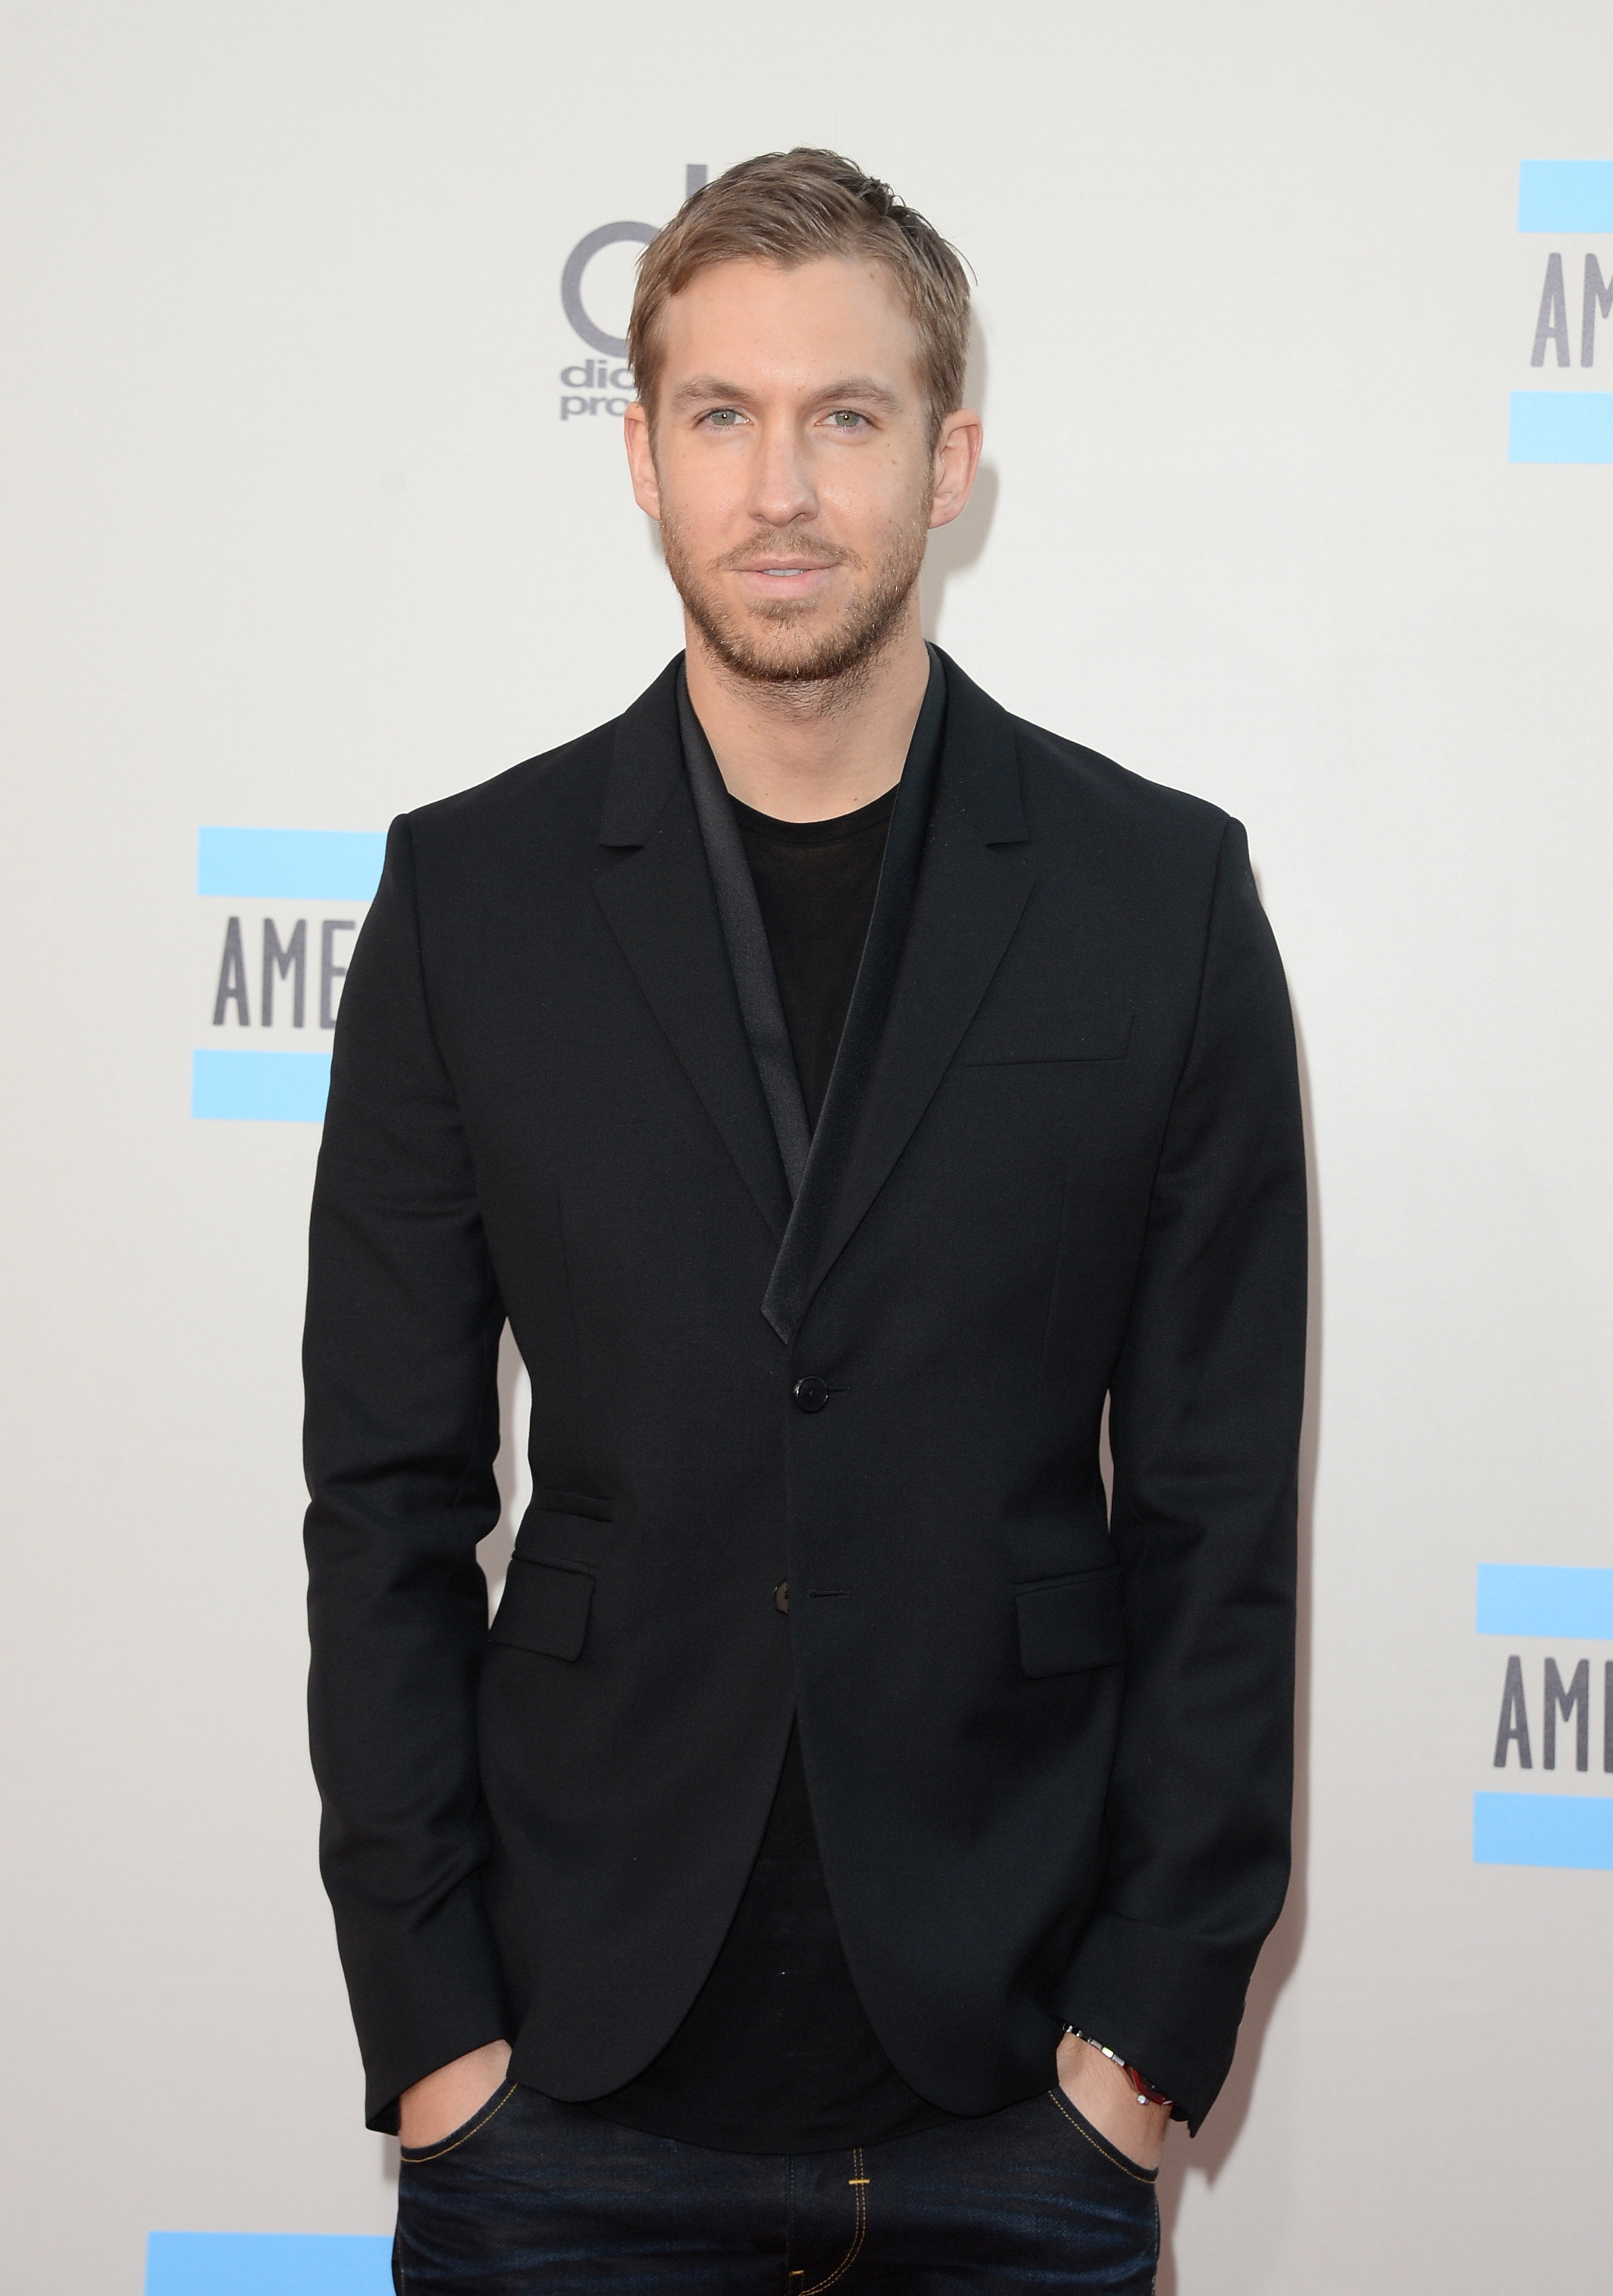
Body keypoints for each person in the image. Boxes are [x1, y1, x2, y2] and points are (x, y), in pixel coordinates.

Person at [303, 147, 1306, 2294]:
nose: (783, 486)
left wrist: (1143, 2045)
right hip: (554, 2090)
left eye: (846, 417)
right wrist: (431, 2029)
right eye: (722, 416)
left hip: (1016, 2095)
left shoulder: (1162, 903)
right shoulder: (469, 903)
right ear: (643, 457)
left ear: (949, 463)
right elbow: (381, 1495)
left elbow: (1218, 1517)